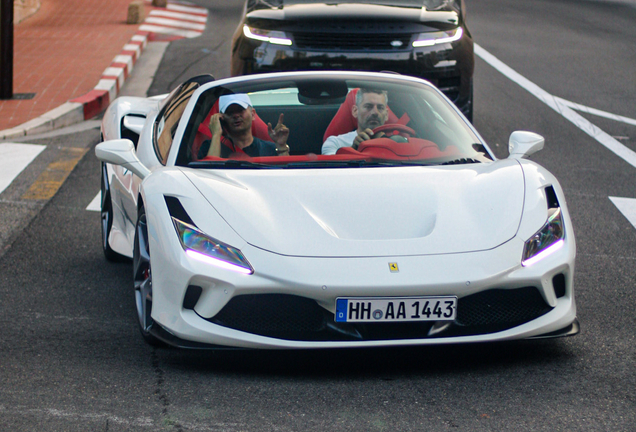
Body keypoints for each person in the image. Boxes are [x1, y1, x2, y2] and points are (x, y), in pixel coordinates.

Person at [199, 93, 290, 159]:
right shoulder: (209, 147)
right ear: (221, 118)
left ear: (253, 114)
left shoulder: (270, 149)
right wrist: (216, 135)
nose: (236, 115)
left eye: (240, 110)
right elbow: (210, 177)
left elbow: (286, 177)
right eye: (230, 112)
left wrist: (281, 145)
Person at [321, 88, 389, 155]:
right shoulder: (335, 143)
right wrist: (353, 150)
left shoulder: (395, 143)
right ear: (355, 111)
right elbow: (333, 164)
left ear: (386, 114)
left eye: (380, 108)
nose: (375, 112)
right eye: (368, 106)